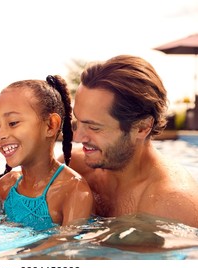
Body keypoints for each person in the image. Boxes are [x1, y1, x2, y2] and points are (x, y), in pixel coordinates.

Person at [58, 54, 198, 228]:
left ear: (142, 127)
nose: (77, 138)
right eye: (77, 122)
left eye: (94, 127)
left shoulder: (172, 204)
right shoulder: (72, 167)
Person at [0, 75, 93, 231]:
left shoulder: (74, 191)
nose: (1, 135)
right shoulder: (3, 188)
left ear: (51, 125)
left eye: (13, 123)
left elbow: (66, 243)